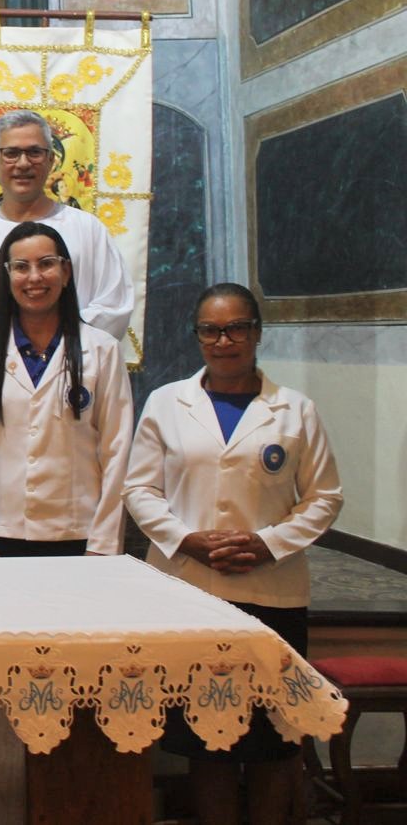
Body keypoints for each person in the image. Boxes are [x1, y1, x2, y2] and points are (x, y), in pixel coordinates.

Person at [124, 283, 342, 825]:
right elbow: (139, 490)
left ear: (257, 333)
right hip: (188, 592)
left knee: (273, 739)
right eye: (211, 330)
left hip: (272, 594)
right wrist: (188, 540)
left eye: (236, 328)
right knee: (207, 739)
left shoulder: (295, 411)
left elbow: (325, 498)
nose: (224, 341)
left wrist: (270, 544)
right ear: (197, 336)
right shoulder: (166, 403)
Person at [0, 223, 132, 558]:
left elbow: (117, 452)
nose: (34, 277)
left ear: (65, 272)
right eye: (21, 267)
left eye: (46, 264)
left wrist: (103, 546)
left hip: (79, 536)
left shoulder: (103, 350)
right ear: (6, 277)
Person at [0, 109, 134, 347]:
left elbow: (114, 309)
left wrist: (46, 334)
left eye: (34, 152)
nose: (23, 163)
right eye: (11, 153)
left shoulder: (88, 230)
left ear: (51, 160)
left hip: (69, 369)